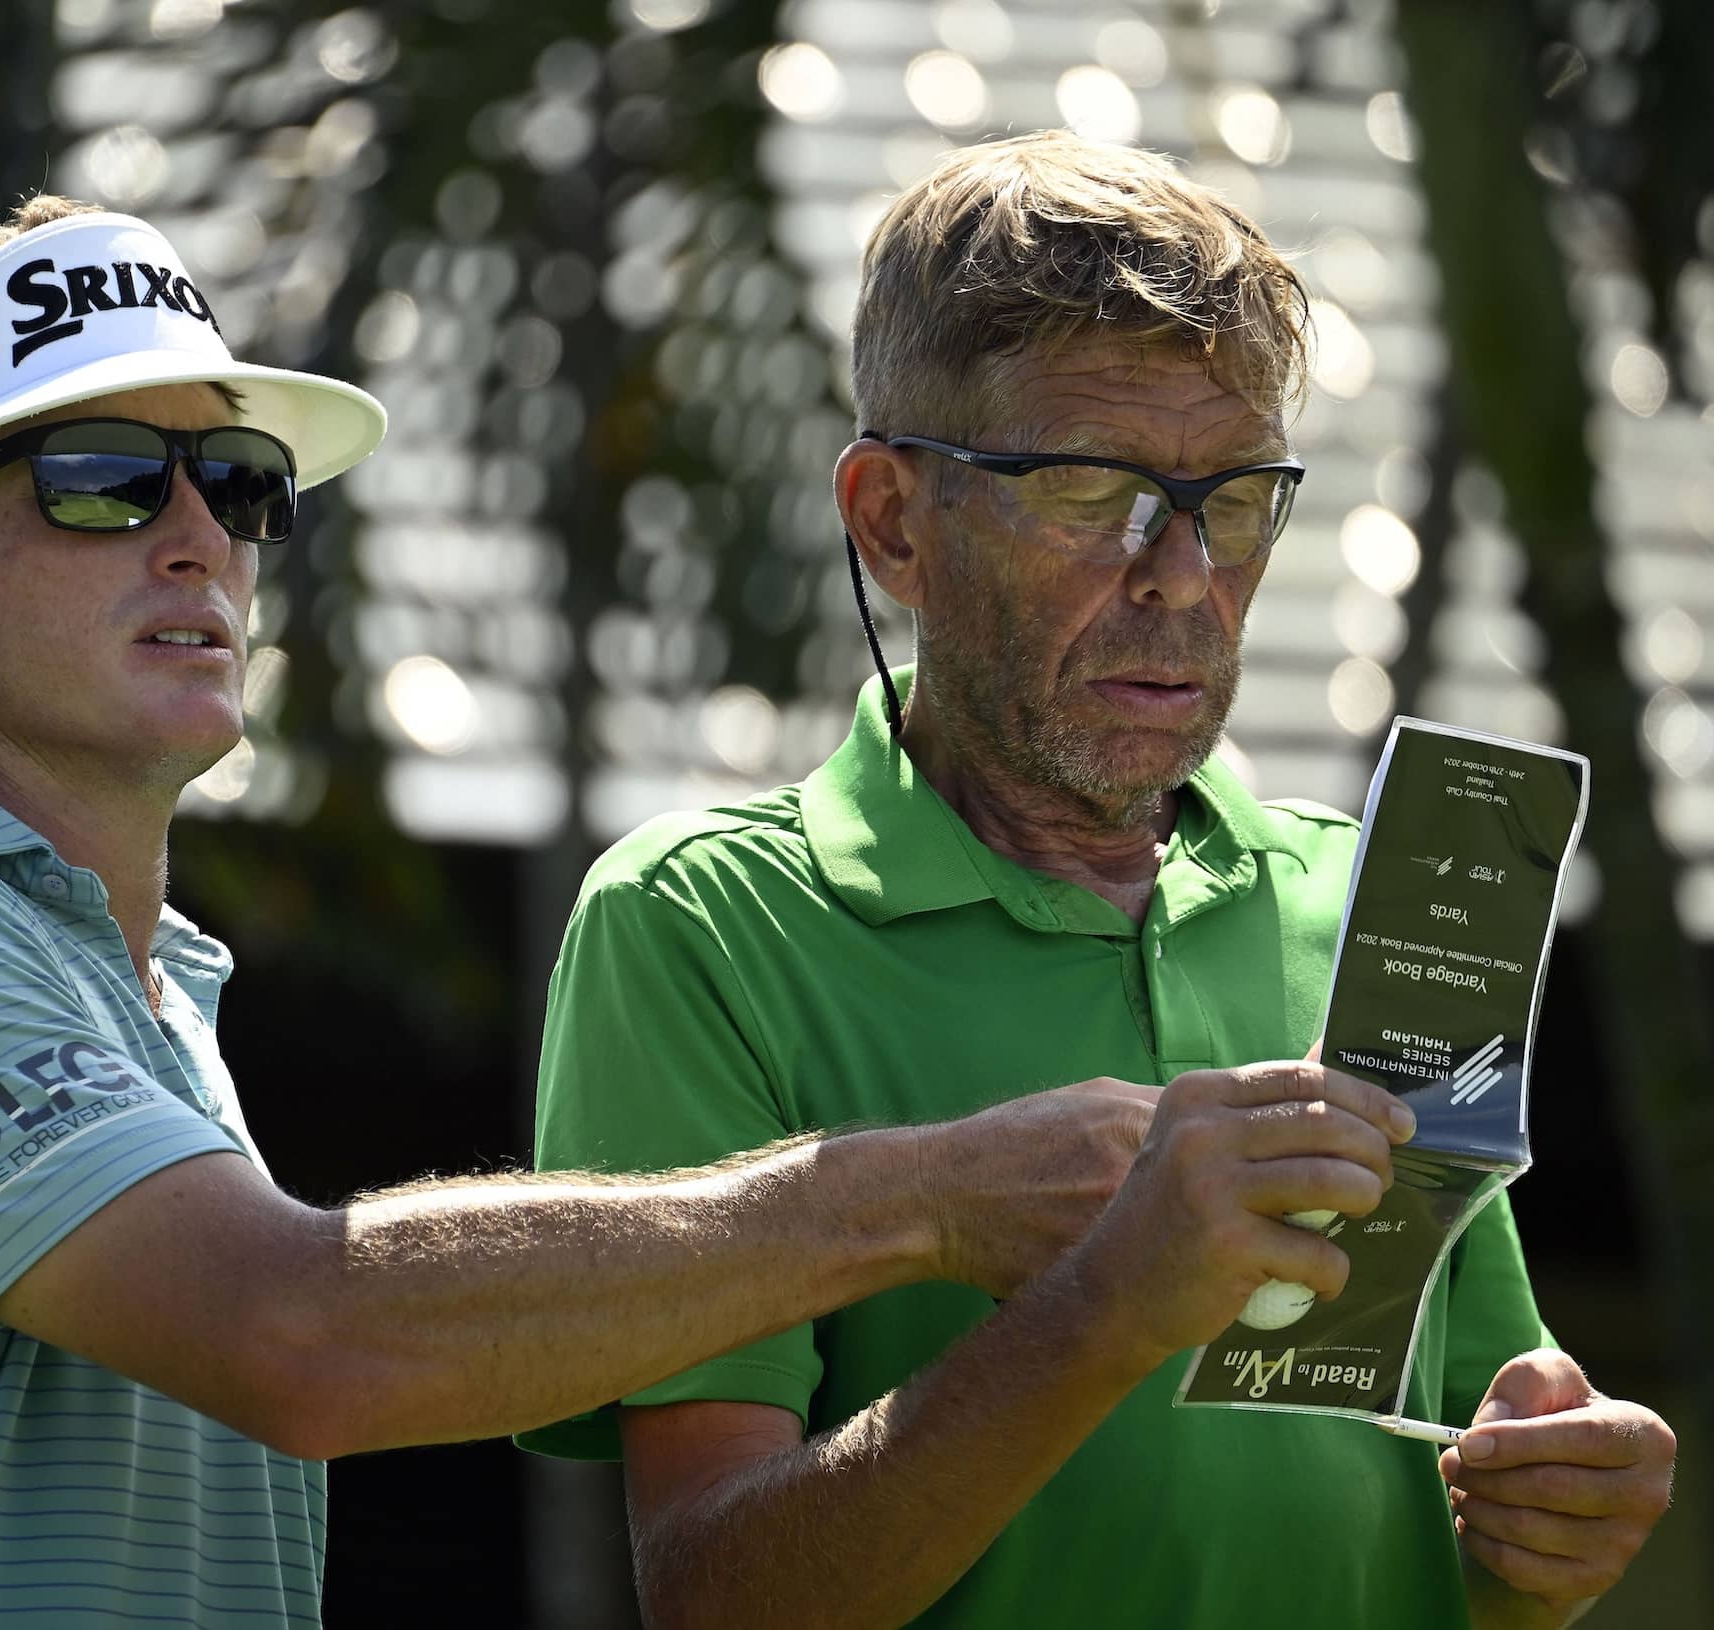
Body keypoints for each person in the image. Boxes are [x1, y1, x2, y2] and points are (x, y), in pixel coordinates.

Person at [0, 197, 1197, 1628]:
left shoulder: (124, 992)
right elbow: (305, 1334)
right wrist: (921, 1195)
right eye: (99, 481)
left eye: (238, 481)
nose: (201, 537)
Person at [521, 132, 1674, 1629]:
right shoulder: (702, 927)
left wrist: (1549, 1528)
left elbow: (1439, 1529)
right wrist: (1109, 1306)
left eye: (1238, 496)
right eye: (1089, 488)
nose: (1183, 575)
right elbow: (719, 1598)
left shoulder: (1377, 901)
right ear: (892, 524)